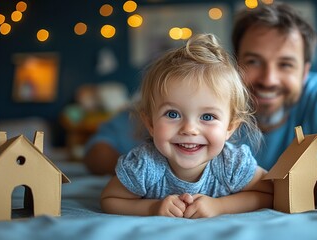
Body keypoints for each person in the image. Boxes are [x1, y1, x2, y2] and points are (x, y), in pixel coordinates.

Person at [85, 2, 317, 188]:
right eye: (253, 61)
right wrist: (156, 176)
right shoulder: (191, 100)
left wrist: (297, 191)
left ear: (305, 72)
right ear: (233, 63)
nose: (268, 79)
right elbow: (99, 150)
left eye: (286, 65)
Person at [100, 34, 273, 218]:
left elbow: (270, 193)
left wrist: (220, 206)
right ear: (150, 123)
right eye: (172, 114)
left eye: (207, 116)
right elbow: (110, 199)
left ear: (230, 127)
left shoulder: (232, 164)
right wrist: (153, 208)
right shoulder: (144, 166)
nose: (189, 129)